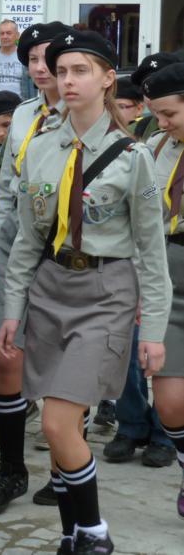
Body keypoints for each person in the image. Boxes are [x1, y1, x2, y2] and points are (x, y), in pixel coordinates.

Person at [0, 29, 171, 554]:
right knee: (62, 429)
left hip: (105, 292)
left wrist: (154, 330)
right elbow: (28, 239)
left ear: (108, 78)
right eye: (61, 71)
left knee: (56, 422)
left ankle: (94, 532)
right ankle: (72, 533)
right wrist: (12, 307)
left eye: (80, 70)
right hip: (49, 289)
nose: (67, 80)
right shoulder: (40, 149)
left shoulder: (133, 156)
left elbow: (151, 252)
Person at [0, 21, 71, 516]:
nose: (39, 68)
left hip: (64, 256)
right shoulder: (21, 116)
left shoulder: (82, 116)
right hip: (16, 250)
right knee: (6, 355)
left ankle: (65, 468)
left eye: (46, 58)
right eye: (31, 59)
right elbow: (7, 188)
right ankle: (11, 468)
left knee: (60, 364)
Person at [139, 62, 184, 516]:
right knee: (170, 402)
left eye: (169, 114)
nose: (162, 123)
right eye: (157, 114)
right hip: (168, 281)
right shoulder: (154, 148)